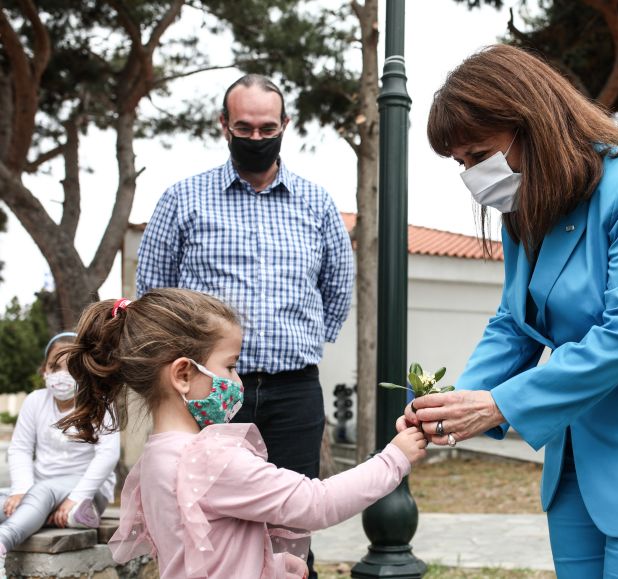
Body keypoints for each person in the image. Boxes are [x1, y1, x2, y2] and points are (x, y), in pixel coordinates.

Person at [403, 44, 618, 578]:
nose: (473, 175)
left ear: (531, 123)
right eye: (462, 163)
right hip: (578, 460)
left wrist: (497, 405)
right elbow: (514, 323)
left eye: (480, 155)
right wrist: (451, 406)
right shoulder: (526, 208)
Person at [135, 73, 354, 577]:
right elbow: (155, 298)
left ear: (285, 125)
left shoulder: (318, 204)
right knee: (211, 527)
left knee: (295, 524)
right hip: (208, 395)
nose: (257, 137)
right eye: (245, 127)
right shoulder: (180, 200)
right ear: (224, 126)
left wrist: (295, 340)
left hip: (293, 392)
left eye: (267, 127)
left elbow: (338, 290)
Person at [58, 288, 427, 579]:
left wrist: (271, 565)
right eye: (231, 366)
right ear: (183, 374)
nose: (238, 382)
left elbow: (206, 550)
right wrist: (394, 458)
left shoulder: (155, 458)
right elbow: (316, 503)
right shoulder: (210, 460)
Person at [0, 332, 120, 579]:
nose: (62, 375)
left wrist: (76, 497)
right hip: (38, 487)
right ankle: (57, 514)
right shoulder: (35, 401)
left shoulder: (101, 404)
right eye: (55, 366)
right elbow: (21, 448)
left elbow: (108, 455)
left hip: (87, 490)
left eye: (72, 367)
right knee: (11, 499)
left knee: (40, 495)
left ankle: (3, 542)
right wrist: (21, 488)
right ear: (44, 369)